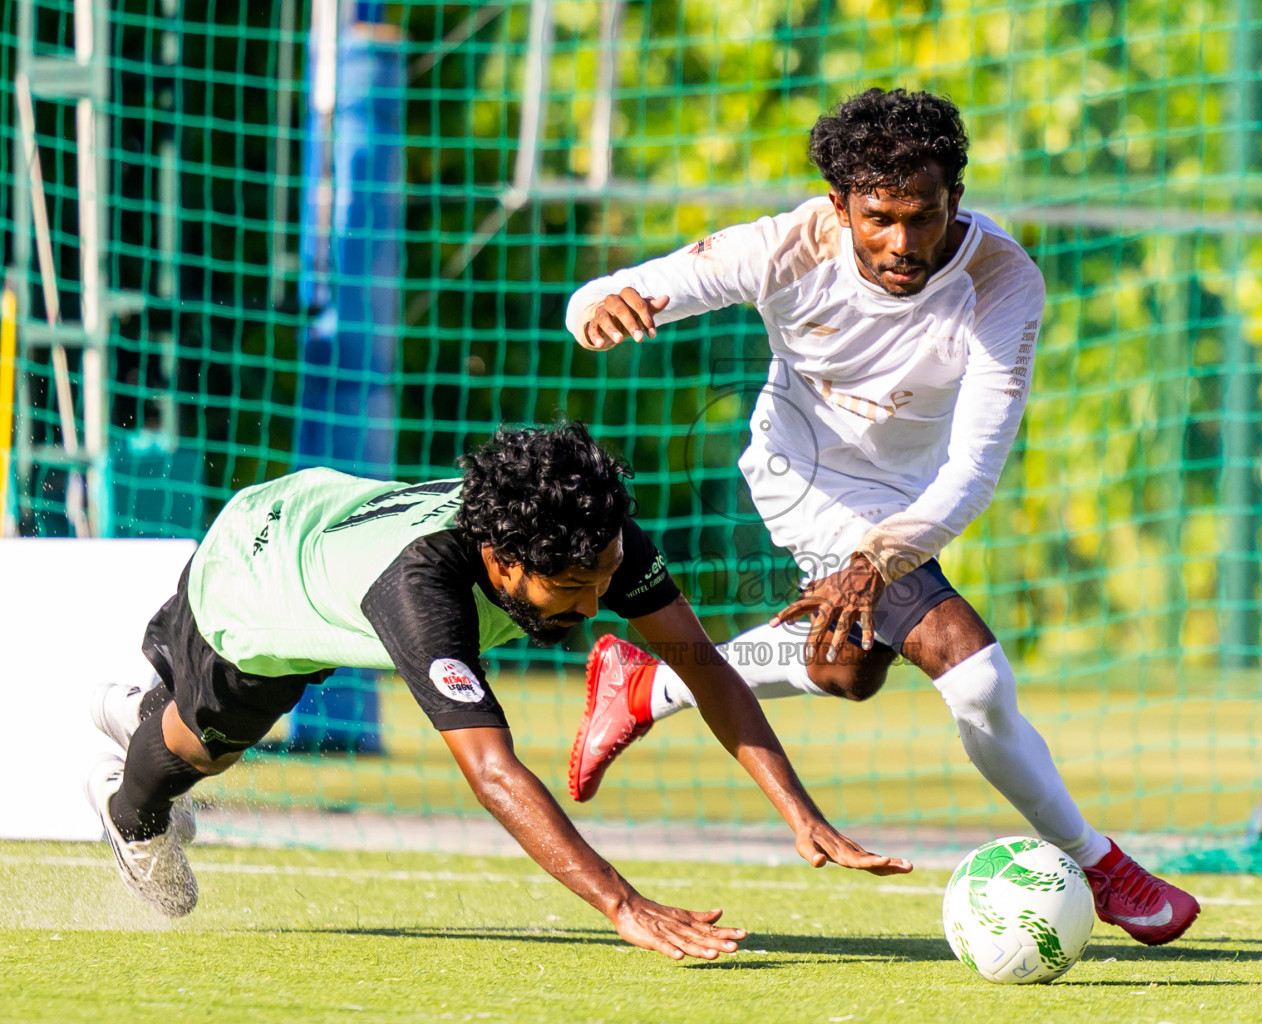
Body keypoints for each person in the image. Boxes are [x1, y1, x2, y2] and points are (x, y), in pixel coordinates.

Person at [562, 88, 1199, 945]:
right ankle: (1100, 864)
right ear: (839, 206)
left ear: (955, 203)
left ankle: (650, 682)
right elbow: (613, 289)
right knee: (968, 670)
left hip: (914, 495)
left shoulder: (1002, 280)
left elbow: (974, 470)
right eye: (879, 217)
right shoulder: (782, 248)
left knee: (848, 670)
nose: (903, 243)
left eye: (925, 216)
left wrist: (881, 556)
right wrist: (594, 312)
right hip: (806, 477)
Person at [86, 422, 909, 959]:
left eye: (604, 581)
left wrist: (801, 812)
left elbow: (702, 665)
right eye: (571, 590)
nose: (595, 607)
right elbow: (493, 775)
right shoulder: (424, 593)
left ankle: (139, 708)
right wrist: (621, 904)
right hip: (262, 579)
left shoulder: (600, 538)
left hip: (323, 511)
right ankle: (130, 810)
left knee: (204, 732)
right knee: (203, 750)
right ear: (501, 560)